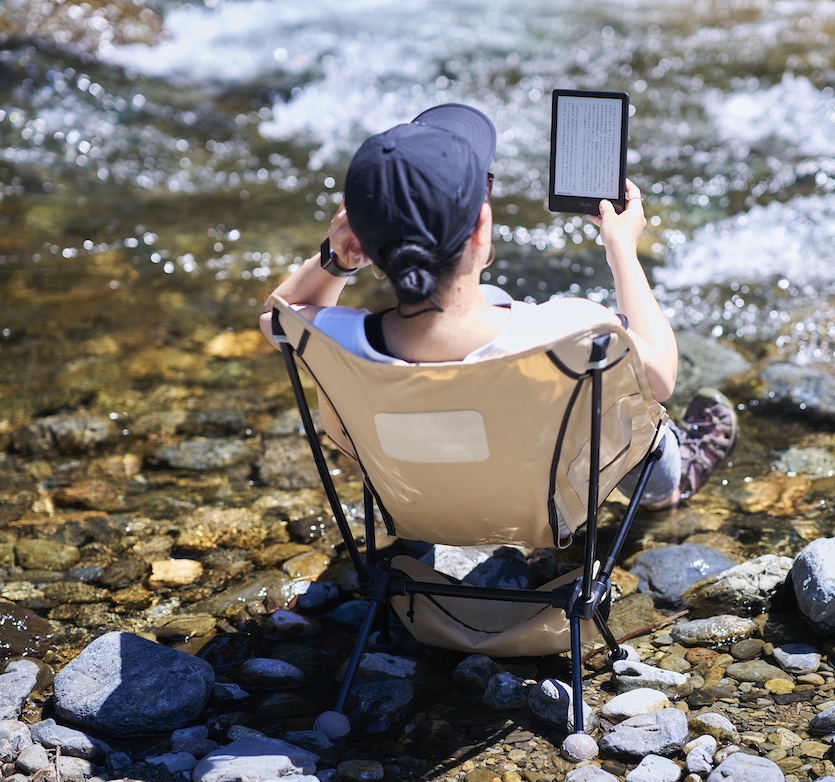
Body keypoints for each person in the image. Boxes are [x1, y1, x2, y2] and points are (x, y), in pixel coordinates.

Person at [258, 102, 736, 509]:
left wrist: (336, 261)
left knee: (494, 306)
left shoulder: (335, 340)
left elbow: (278, 311)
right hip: (548, 512)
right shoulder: (573, 329)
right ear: (481, 229)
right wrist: (622, 250)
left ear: (360, 237)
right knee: (630, 409)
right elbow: (662, 377)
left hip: (427, 507)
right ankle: (664, 489)